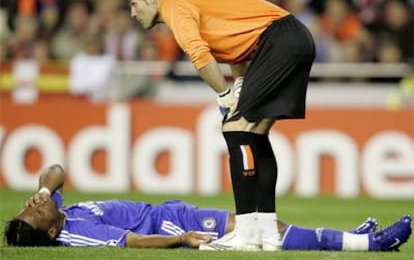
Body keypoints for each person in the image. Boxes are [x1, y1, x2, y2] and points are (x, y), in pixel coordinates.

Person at [117, 0, 316, 251]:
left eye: (133, 4)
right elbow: (238, 40)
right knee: (254, 135)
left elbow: (198, 54)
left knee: (236, 129)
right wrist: (238, 84)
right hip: (289, 38)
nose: (133, 13)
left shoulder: (173, 3)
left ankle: (246, 232)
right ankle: (267, 233)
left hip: (279, 42)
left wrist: (224, 94)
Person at [4, 164, 412, 252]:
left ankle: (355, 238)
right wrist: (180, 238)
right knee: (268, 229)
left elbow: (56, 170)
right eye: (32, 213)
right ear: (51, 233)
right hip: (172, 222)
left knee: (267, 226)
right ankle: (369, 245)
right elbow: (130, 241)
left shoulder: (56, 209)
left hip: (171, 211)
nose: (32, 206)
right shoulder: (76, 232)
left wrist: (41, 192)